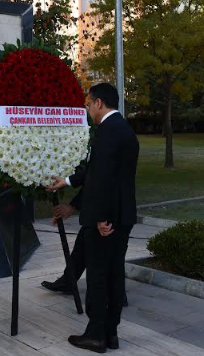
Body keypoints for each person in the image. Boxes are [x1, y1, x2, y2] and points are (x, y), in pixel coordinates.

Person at [47, 83, 139, 353]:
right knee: (114, 273)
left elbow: (103, 181)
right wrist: (66, 180)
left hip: (107, 219)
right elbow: (96, 171)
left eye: (88, 104)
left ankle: (96, 334)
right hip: (122, 215)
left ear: (99, 103)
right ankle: (110, 333)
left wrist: (100, 217)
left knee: (99, 276)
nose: (87, 109)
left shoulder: (108, 132)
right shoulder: (123, 130)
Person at [40, 192, 129, 307]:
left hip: (112, 208)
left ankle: (117, 295)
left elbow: (96, 183)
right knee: (83, 242)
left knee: (111, 253)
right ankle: (68, 281)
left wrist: (73, 205)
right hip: (105, 206)